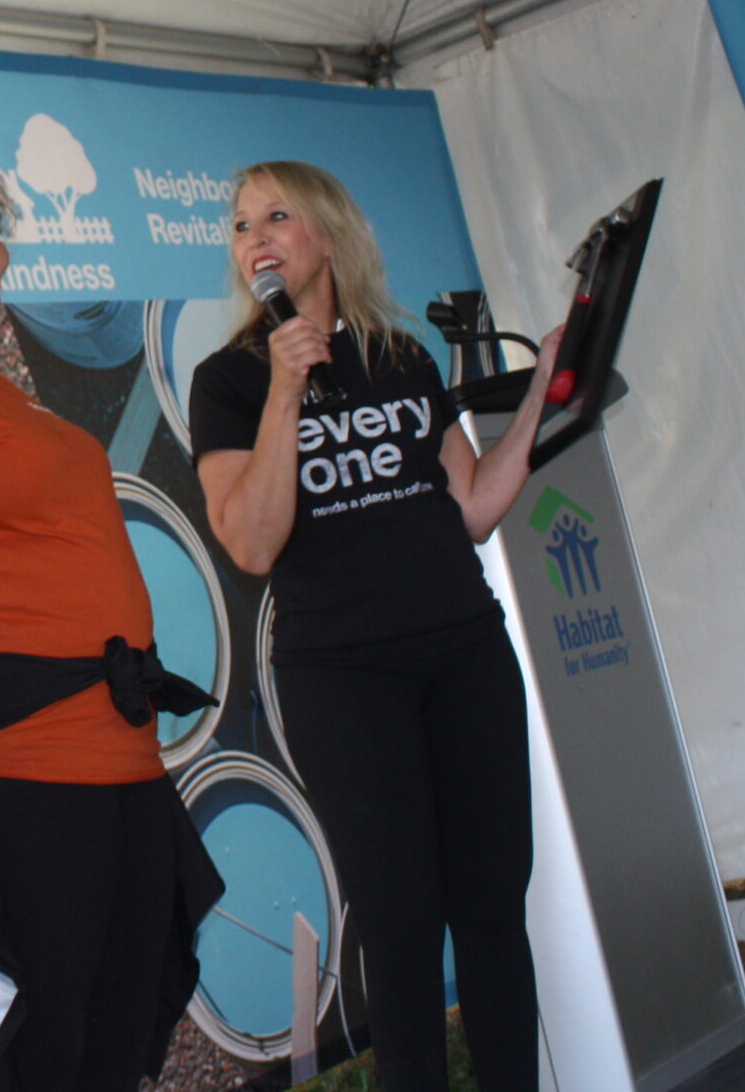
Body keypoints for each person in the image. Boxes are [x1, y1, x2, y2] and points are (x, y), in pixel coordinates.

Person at [189, 162, 561, 1092]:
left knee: (492, 908)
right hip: (344, 678)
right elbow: (253, 542)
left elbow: (473, 507)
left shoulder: (401, 355)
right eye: (240, 224)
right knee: (399, 925)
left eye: (277, 215)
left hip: (464, 652)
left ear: (327, 233)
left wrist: (546, 397)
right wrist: (284, 391)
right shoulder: (228, 380)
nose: (255, 237)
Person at [0, 135, 212, 1092]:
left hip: (120, 762)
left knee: (114, 1045)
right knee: (48, 1052)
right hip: (26, 776)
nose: (8, 259)